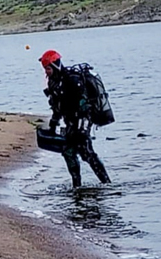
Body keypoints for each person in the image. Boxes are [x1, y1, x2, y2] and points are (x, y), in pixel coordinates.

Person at [40, 49, 110, 188]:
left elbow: (84, 105)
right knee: (69, 152)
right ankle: (77, 186)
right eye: (45, 69)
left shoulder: (72, 80)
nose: (46, 72)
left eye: (47, 68)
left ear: (55, 66)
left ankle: (106, 183)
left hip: (82, 121)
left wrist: (81, 128)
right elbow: (56, 107)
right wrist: (53, 125)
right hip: (70, 122)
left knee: (86, 153)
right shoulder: (53, 83)